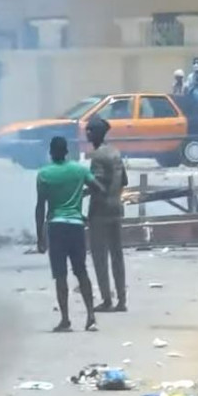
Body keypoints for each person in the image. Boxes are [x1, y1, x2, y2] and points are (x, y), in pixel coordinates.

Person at [35, 136, 100, 333]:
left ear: (51, 153)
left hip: (56, 227)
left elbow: (40, 207)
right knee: (81, 271)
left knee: (60, 275)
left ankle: (65, 320)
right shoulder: (79, 170)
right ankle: (91, 317)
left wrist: (40, 237)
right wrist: (82, 200)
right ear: (67, 152)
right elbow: (99, 188)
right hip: (76, 226)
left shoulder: (44, 174)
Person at [85, 116, 129, 313]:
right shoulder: (115, 152)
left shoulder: (98, 156)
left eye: (89, 131)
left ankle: (106, 300)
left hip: (100, 212)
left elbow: (97, 184)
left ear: (95, 133)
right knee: (117, 255)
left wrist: (81, 188)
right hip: (116, 209)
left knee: (100, 257)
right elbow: (124, 181)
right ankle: (122, 300)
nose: (87, 134)